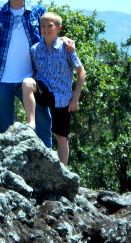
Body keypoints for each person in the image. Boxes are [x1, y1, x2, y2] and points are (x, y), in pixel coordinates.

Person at [0, 0, 75, 148]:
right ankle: (6, 169)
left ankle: (49, 163)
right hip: (1, 78)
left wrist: (64, 39)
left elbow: (49, 32)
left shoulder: (38, 11)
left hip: (32, 78)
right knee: (5, 129)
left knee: (43, 125)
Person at [22, 12, 86, 166]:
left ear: (58, 28)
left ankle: (63, 171)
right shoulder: (35, 49)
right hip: (44, 90)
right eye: (43, 26)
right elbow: (35, 71)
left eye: (49, 26)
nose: (45, 29)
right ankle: (31, 123)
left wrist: (75, 98)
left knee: (62, 137)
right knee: (26, 83)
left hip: (62, 97)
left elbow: (81, 72)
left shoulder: (67, 48)